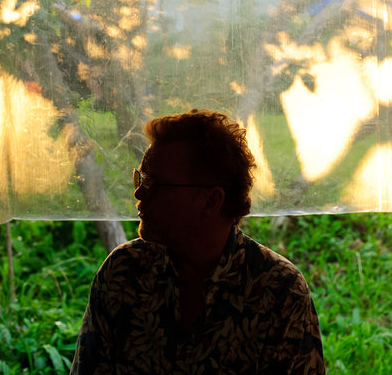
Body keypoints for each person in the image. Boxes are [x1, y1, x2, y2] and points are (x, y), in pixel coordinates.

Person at [70, 109, 325, 375]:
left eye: (153, 184)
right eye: (139, 178)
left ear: (211, 200)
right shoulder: (123, 272)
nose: (138, 192)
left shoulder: (279, 290)